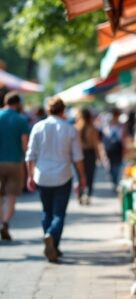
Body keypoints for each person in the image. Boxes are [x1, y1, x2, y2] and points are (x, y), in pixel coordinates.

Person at [26, 97, 86, 262]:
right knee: (59, 213)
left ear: (48, 110)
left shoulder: (38, 127)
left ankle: (51, 241)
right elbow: (78, 157)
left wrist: (30, 175)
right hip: (63, 175)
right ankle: (52, 237)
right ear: (63, 110)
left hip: (42, 175)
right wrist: (82, 177)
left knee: (46, 211)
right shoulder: (69, 129)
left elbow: (30, 155)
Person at [0, 92, 29, 240]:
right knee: (11, 196)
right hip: (15, 162)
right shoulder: (20, 120)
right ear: (17, 104)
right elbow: (25, 144)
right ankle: (5, 223)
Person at [75, 108, 100, 205]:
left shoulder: (76, 128)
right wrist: (98, 156)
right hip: (90, 153)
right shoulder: (93, 128)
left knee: (79, 175)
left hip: (79, 154)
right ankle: (88, 195)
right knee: (90, 176)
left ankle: (80, 194)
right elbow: (96, 144)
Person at [102, 108, 126, 192]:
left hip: (118, 148)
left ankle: (115, 181)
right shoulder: (107, 125)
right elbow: (105, 138)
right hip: (110, 148)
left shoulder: (121, 125)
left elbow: (123, 138)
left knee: (118, 165)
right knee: (112, 166)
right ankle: (113, 181)